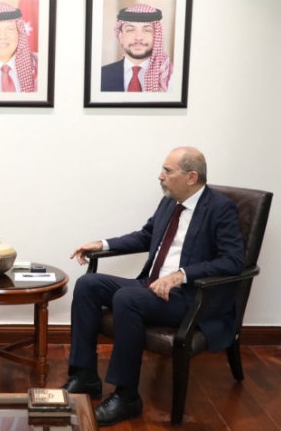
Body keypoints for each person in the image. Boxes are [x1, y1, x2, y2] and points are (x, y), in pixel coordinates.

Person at [63, 147, 244, 426]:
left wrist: (181, 275)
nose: (160, 176)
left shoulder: (220, 208)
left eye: (167, 171)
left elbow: (234, 260)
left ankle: (126, 397)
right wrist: (102, 244)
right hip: (150, 286)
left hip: (188, 297)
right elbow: (146, 236)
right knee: (88, 284)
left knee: (127, 298)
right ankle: (85, 375)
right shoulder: (170, 201)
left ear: (191, 177)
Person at [100, 3, 172, 92]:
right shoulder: (100, 75)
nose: (138, 37)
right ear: (121, 37)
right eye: (130, 30)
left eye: (147, 30)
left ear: (156, 36)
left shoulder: (171, 78)